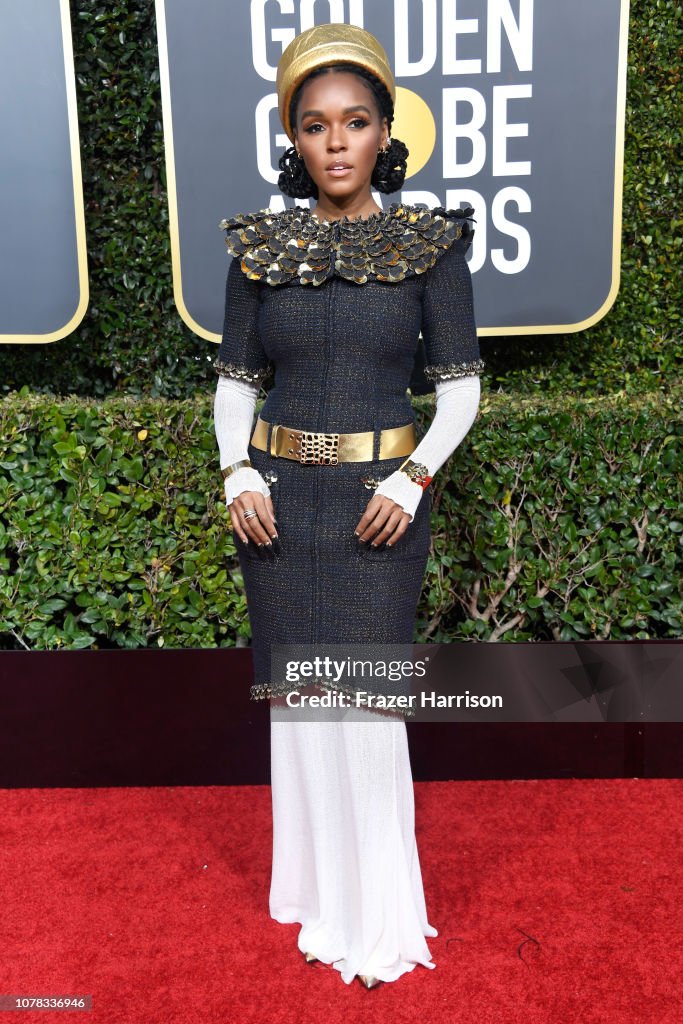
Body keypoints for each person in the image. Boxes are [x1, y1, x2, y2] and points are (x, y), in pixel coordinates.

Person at [213, 24, 484, 988]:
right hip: (277, 510)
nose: (336, 142)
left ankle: (376, 922)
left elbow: (459, 388)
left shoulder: (428, 246)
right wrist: (237, 473)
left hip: (379, 510)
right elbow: (236, 380)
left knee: (363, 707)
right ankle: (318, 893)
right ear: (294, 136)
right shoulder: (258, 249)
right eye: (316, 125)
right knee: (299, 704)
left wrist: (410, 482)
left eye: (355, 122)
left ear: (382, 134)